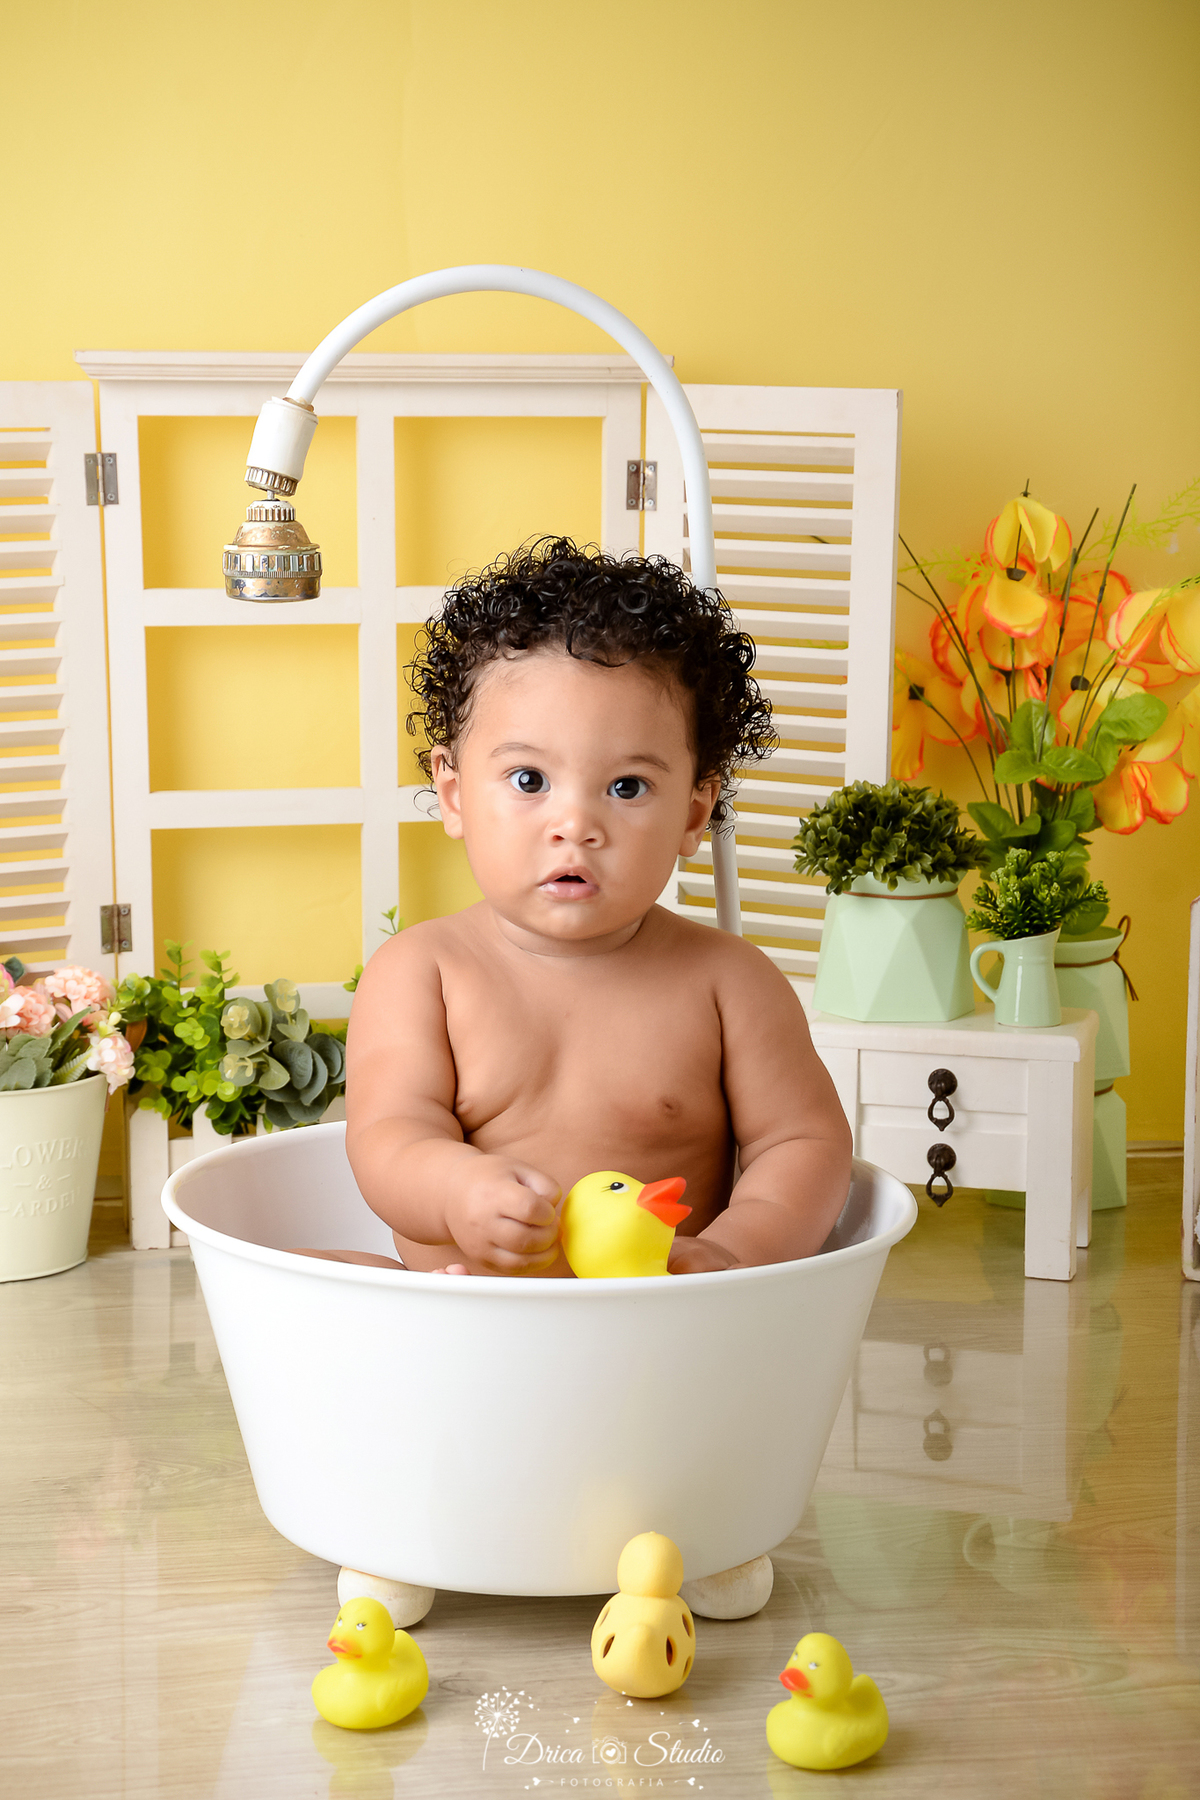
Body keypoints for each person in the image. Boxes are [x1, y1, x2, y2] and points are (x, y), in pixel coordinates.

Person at [340, 537, 851, 1276]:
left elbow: (804, 1145)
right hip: (459, 1313)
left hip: (655, 1324)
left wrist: (735, 1252)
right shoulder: (424, 973)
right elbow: (388, 1137)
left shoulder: (729, 984)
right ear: (452, 794)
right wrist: (457, 1191)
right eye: (528, 779)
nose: (575, 824)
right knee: (312, 1273)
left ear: (693, 811)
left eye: (627, 787)